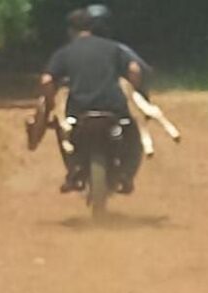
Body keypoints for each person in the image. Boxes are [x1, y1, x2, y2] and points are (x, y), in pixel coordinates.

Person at [40, 8, 144, 194]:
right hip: (113, 108)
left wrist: (50, 104)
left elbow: (47, 80)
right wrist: (135, 92)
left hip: (79, 111)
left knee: (63, 131)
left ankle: (74, 169)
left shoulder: (65, 53)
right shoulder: (113, 48)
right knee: (133, 134)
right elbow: (135, 69)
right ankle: (126, 175)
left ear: (70, 30)